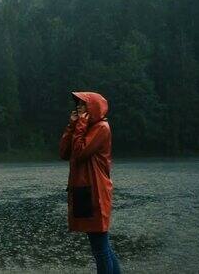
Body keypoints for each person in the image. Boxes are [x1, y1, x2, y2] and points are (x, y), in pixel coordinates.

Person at [59, 91, 121, 274]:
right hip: (83, 191)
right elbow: (64, 153)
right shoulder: (83, 127)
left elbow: (79, 153)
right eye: (77, 103)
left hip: (96, 193)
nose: (78, 106)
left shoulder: (102, 128)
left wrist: (80, 124)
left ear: (93, 107)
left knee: (100, 248)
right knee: (102, 246)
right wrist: (72, 125)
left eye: (83, 103)